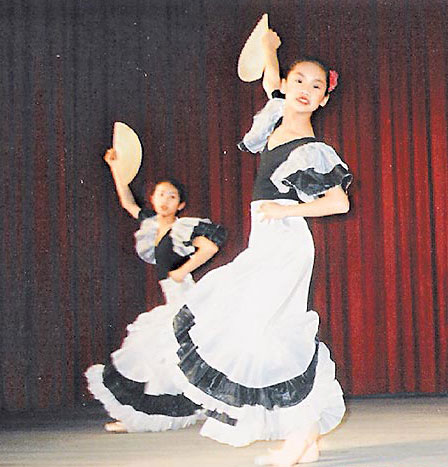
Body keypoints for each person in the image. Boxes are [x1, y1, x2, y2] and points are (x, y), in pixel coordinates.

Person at [160, 29, 352, 465]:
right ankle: (306, 434)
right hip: (266, 242)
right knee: (263, 329)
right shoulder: (276, 119)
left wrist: (286, 210)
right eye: (298, 80)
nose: (305, 90)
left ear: (324, 100)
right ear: (286, 84)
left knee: (268, 332)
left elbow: (338, 202)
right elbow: (270, 84)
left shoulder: (311, 148)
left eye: (316, 86)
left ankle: (300, 435)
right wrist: (269, 50)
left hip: (285, 244)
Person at [85, 148, 226, 433]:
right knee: (161, 354)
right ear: (152, 199)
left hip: (185, 297)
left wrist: (182, 270)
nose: (165, 200)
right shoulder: (151, 224)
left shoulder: (182, 228)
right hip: (173, 298)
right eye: (161, 194)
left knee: (158, 349)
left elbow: (210, 246)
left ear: (181, 204)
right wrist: (115, 167)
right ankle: (150, 414)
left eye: (172, 196)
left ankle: (153, 415)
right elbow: (127, 202)